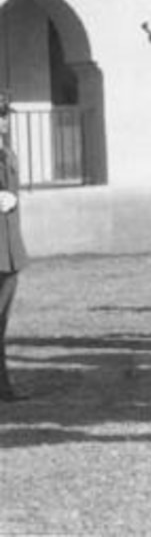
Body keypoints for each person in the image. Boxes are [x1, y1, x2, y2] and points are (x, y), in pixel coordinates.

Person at [0, 91, 29, 402]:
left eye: (4, 115)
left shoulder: (7, 155)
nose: (3, 121)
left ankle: (3, 386)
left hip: (9, 253)